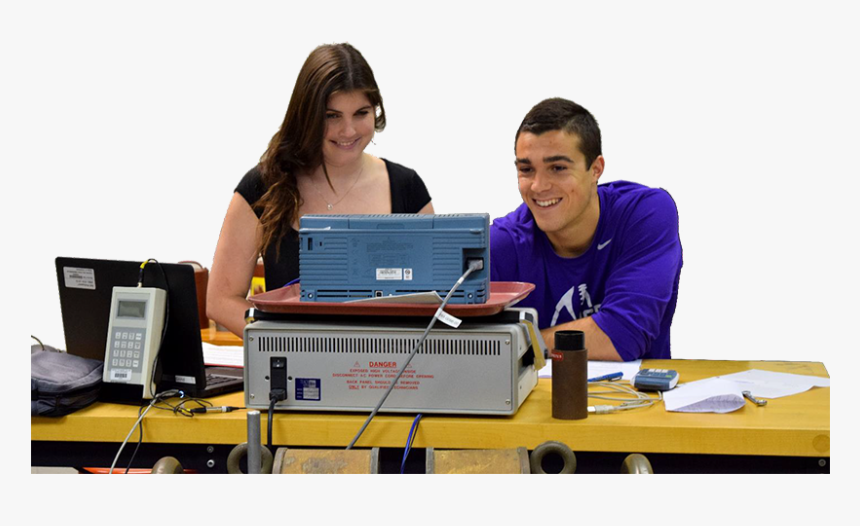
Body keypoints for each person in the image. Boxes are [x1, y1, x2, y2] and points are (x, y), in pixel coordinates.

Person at [208, 43, 434, 336]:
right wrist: (289, 343)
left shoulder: (407, 187)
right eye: (332, 116)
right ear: (307, 116)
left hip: (388, 370)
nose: (349, 131)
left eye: (361, 113)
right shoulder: (264, 186)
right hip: (296, 371)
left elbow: (439, 297)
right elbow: (220, 300)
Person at [490, 98, 682, 361]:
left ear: (596, 169)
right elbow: (460, 344)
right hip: (537, 400)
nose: (538, 186)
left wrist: (517, 343)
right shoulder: (500, 243)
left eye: (557, 168)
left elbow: (622, 337)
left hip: (639, 399)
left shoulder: (646, 214)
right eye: (526, 169)